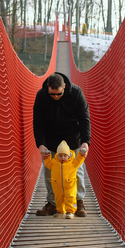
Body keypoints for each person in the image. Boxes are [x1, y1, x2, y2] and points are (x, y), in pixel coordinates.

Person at [33, 72, 91, 217]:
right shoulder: (42, 95)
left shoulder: (76, 94)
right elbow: (38, 122)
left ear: (64, 87)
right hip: (51, 138)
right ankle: (53, 203)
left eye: (58, 94)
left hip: (72, 138)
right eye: (52, 94)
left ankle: (79, 202)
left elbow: (85, 119)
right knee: (50, 172)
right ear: (48, 88)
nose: (56, 97)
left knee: (76, 170)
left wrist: (85, 142)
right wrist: (41, 144)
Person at [43, 140, 87, 219]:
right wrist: (47, 157)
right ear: (57, 155)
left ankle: (70, 212)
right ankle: (61, 211)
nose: (63, 157)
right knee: (58, 199)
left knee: (70, 198)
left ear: (68, 155)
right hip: (57, 186)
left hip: (69, 186)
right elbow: (47, 164)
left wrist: (81, 154)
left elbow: (79, 160)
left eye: (65, 155)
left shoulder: (73, 163)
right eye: (60, 155)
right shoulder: (54, 163)